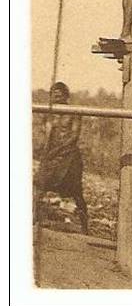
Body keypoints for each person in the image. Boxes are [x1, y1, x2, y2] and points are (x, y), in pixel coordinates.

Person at [34, 83, 89, 235]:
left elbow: (74, 136)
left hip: (69, 157)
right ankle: (32, 220)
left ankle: (85, 226)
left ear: (66, 96)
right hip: (51, 156)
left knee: (77, 193)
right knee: (39, 186)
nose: (57, 98)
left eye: (60, 95)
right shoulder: (49, 113)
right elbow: (45, 136)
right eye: (54, 95)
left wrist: (57, 150)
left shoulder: (73, 112)